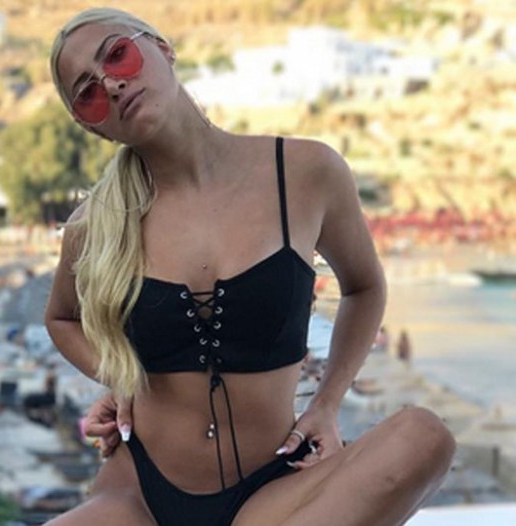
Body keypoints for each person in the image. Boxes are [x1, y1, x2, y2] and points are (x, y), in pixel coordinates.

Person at [43, 8, 454, 525]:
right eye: (87, 92)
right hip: (140, 496)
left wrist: (326, 403)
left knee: (425, 436)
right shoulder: (96, 226)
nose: (111, 83)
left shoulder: (304, 173)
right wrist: (119, 376)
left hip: (275, 488)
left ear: (163, 49)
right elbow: (61, 318)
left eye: (117, 55)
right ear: (93, 126)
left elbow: (364, 288)